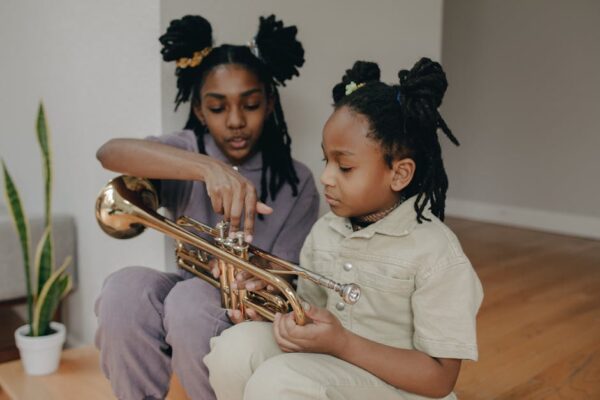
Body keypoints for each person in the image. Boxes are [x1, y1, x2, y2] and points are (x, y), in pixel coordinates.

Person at [204, 58, 484, 400]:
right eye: (326, 161)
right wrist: (275, 298)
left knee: (278, 381)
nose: (326, 177)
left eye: (345, 166)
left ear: (399, 174)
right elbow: (309, 311)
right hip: (334, 367)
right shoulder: (326, 231)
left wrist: (342, 343)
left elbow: (439, 380)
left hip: (405, 390)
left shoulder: (436, 253)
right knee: (235, 347)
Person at [94, 14, 319, 400]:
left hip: (249, 312)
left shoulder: (298, 182)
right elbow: (110, 152)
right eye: (217, 108)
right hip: (189, 293)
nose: (235, 121)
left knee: (190, 298)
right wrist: (208, 168)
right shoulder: (188, 150)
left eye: (249, 105)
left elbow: (283, 283)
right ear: (199, 111)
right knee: (123, 288)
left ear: (269, 104)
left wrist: (249, 274)